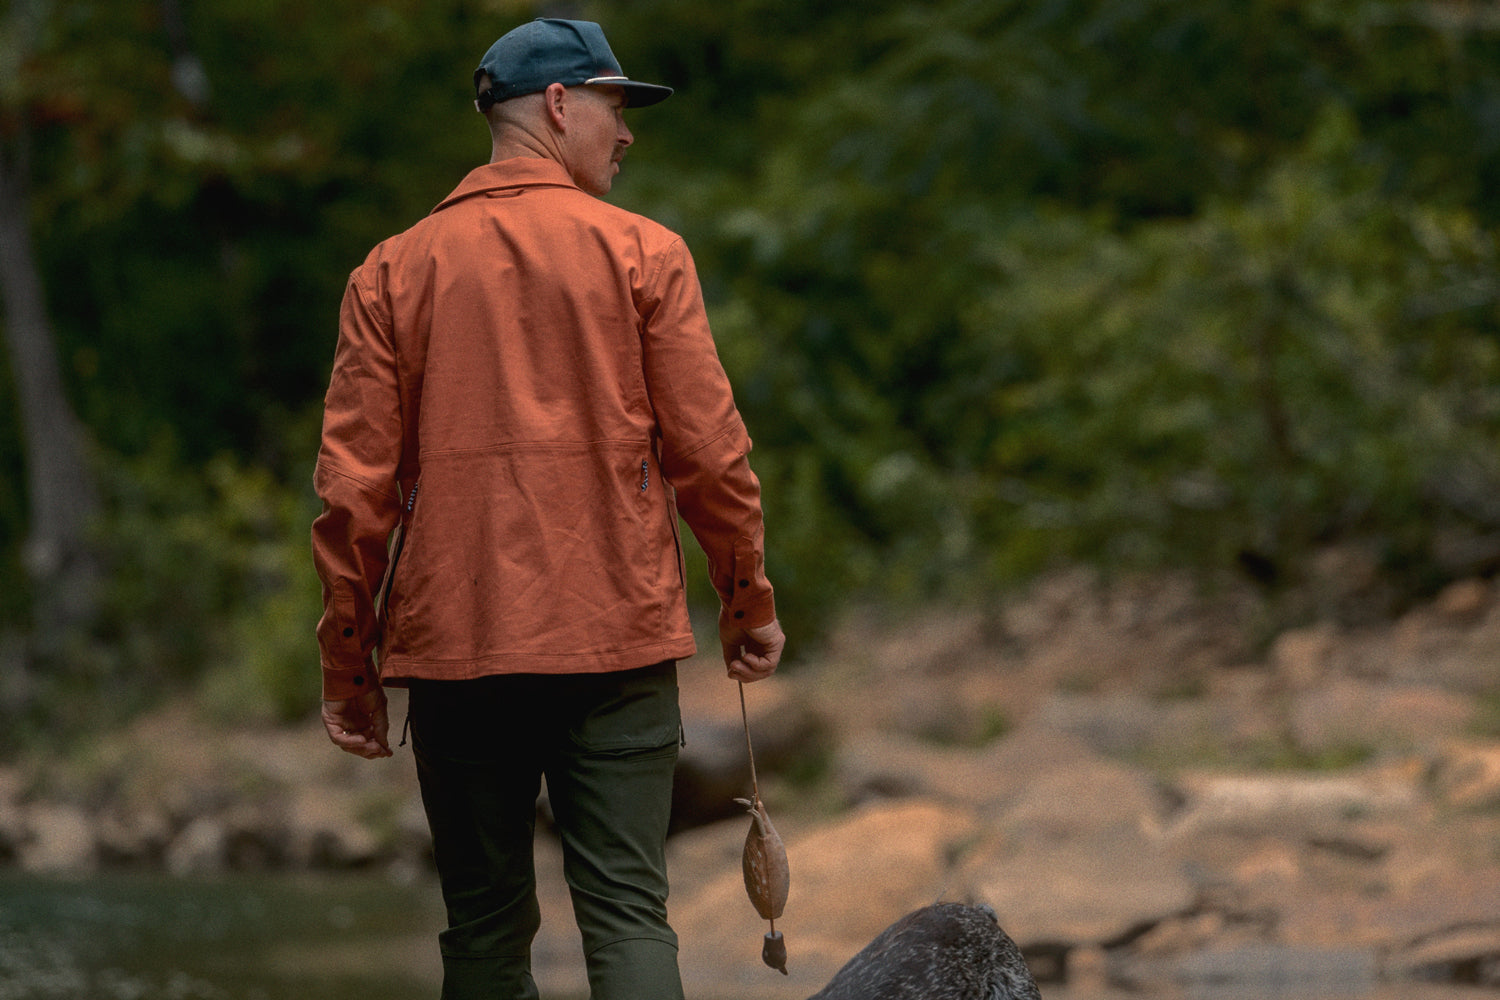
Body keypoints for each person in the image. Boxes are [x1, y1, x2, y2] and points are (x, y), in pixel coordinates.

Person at [309, 17, 785, 1000]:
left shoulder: (389, 271)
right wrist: (747, 602)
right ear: (560, 104)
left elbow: (353, 492)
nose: (628, 131)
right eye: (616, 106)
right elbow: (712, 454)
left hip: (457, 647)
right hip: (616, 639)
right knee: (628, 912)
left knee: (484, 927)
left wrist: (349, 664)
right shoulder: (646, 253)